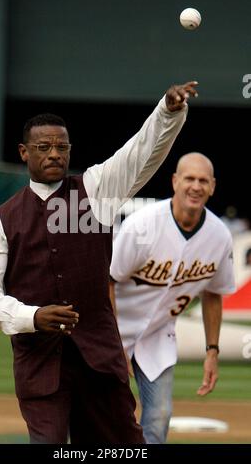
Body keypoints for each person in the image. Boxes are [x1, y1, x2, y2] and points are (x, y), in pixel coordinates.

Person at [0, 81, 198, 444]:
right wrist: (31, 316)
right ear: (24, 153)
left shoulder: (96, 190)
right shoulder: (1, 220)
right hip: (40, 366)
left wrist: (167, 112)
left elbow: (140, 153)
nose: (54, 154)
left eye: (61, 146)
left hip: (100, 362)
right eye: (43, 147)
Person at [110, 152, 236, 444]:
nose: (196, 186)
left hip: (157, 335)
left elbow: (213, 293)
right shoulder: (142, 226)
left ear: (213, 186)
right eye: (189, 178)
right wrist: (112, 341)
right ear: (175, 181)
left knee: (159, 416)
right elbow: (108, 280)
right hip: (111, 330)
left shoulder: (219, 236)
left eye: (203, 180)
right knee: (98, 413)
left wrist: (212, 350)